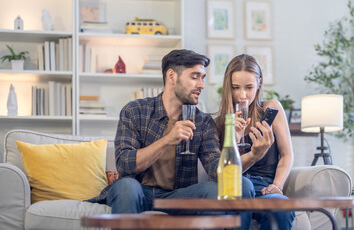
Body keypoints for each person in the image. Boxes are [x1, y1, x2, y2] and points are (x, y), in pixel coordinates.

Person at [87, 49, 254, 229]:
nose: (201, 85)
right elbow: (125, 164)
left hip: (178, 196)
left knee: (216, 189)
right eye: (195, 77)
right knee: (126, 185)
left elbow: (215, 170)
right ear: (172, 76)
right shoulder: (135, 111)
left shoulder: (203, 122)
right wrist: (168, 139)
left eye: (203, 78)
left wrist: (247, 149)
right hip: (137, 191)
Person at [215, 54, 295, 229]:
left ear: (259, 83)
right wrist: (233, 139)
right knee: (244, 186)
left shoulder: (271, 109)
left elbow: (286, 154)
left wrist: (277, 185)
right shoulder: (219, 122)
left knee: (282, 206)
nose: (242, 96)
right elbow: (223, 172)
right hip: (236, 189)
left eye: (249, 87)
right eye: (235, 87)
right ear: (228, 87)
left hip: (265, 188)